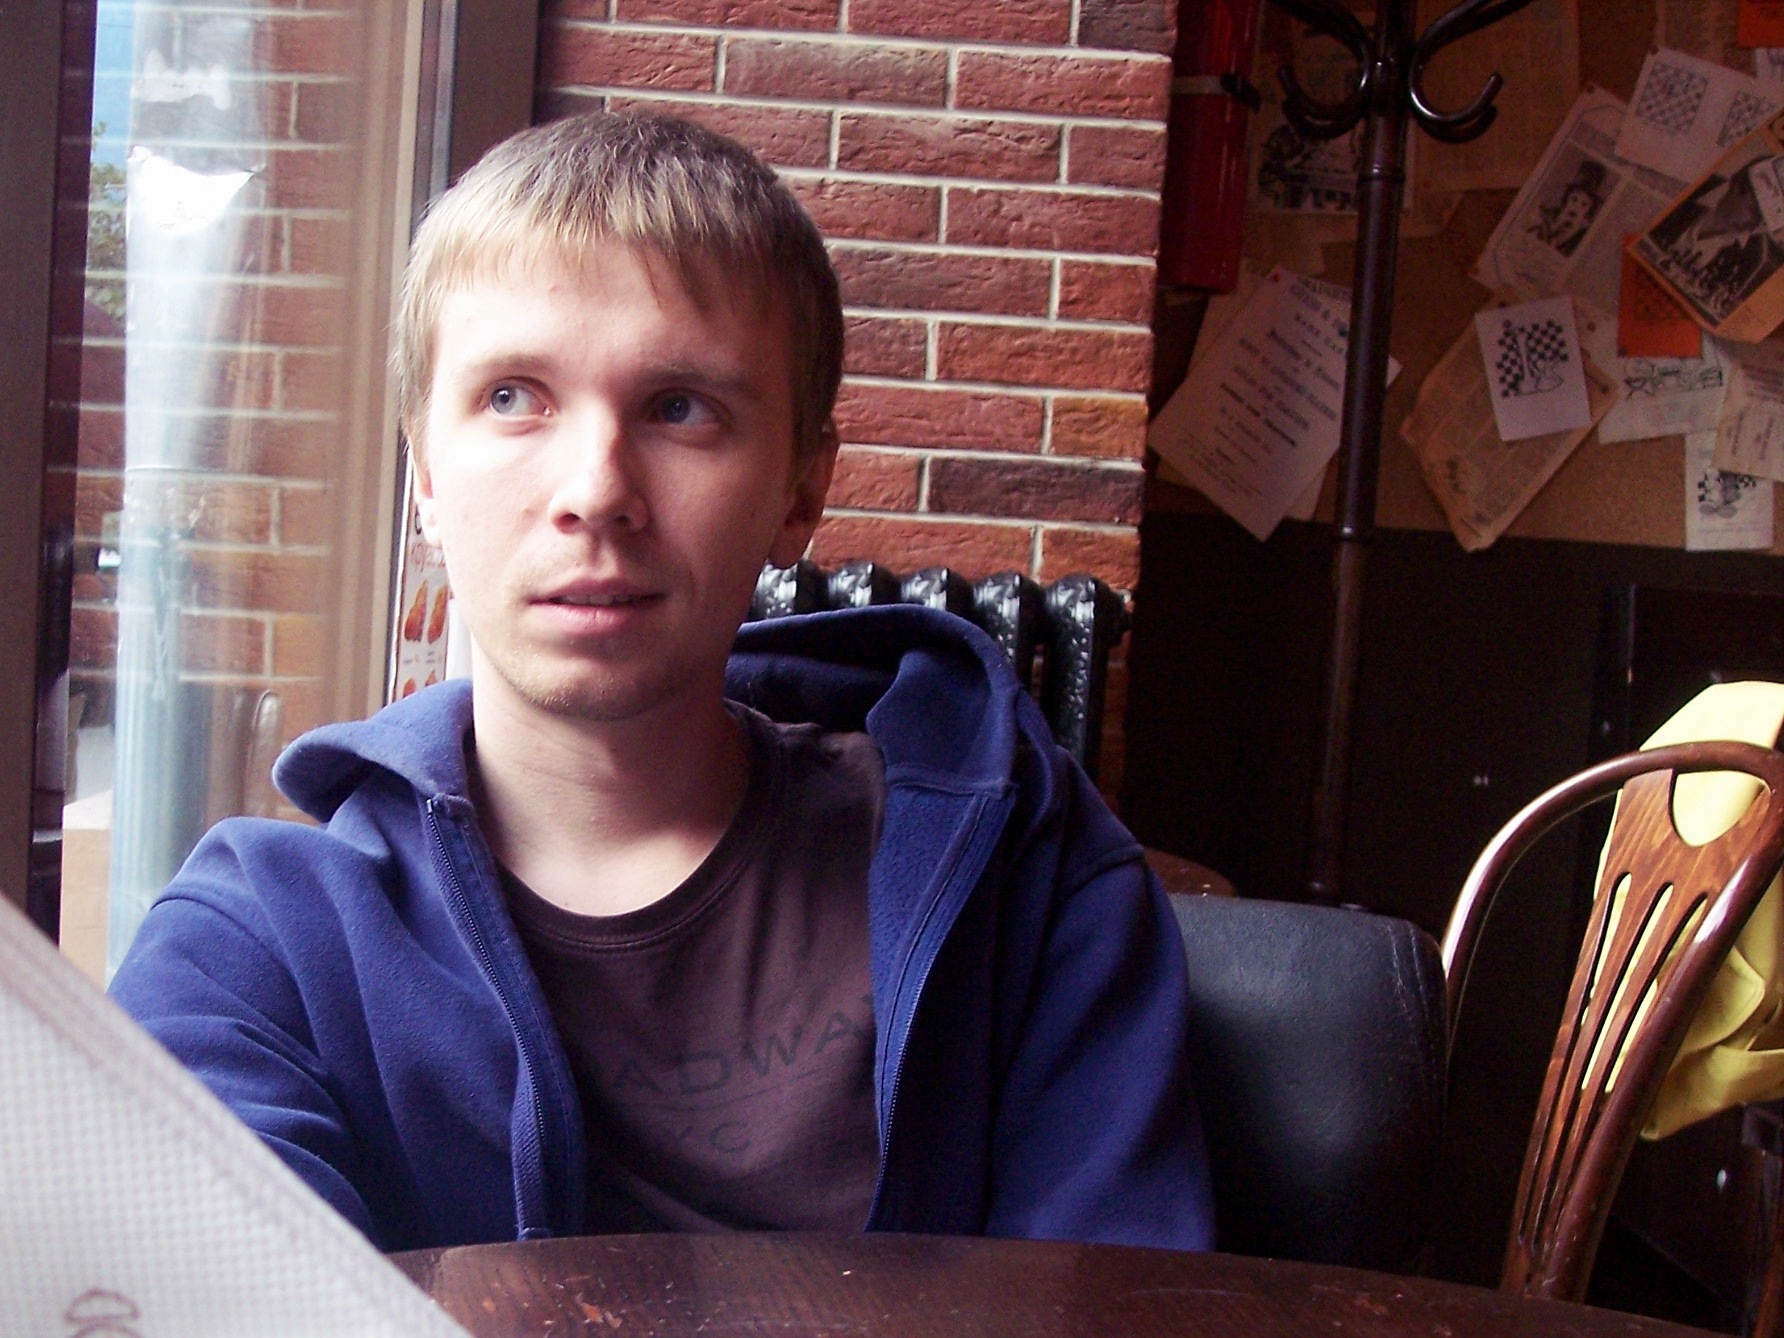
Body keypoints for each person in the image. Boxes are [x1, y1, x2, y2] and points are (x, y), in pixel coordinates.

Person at [109, 111, 1214, 1253]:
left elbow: (1106, 1299)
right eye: (512, 397)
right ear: (425, 474)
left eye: (680, 408)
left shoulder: (1027, 872)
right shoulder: (254, 948)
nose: (595, 490)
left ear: (800, 488)